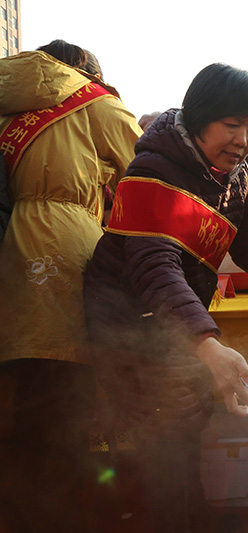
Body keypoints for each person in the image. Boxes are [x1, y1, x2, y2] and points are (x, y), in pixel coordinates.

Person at [83, 63, 248, 532]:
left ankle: (187, 513)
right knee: (162, 431)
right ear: (197, 118)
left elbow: (246, 237)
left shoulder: (235, 174)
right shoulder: (154, 170)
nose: (243, 141)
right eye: (231, 126)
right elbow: (156, 268)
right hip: (130, 321)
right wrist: (207, 345)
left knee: (188, 422)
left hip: (174, 317)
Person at [0, 40, 140, 532]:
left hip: (12, 252)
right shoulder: (93, 102)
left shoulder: (10, 107)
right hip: (66, 256)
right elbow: (153, 168)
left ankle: (25, 513)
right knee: (70, 399)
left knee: (25, 396)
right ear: (85, 73)